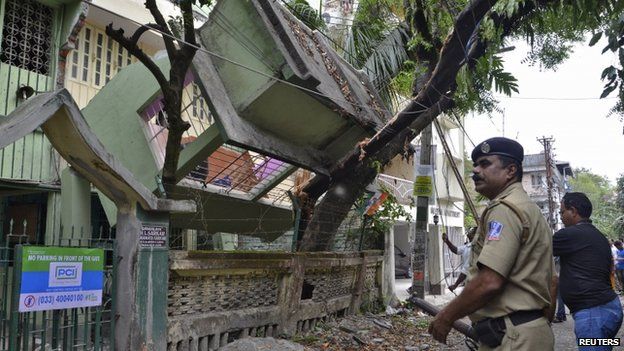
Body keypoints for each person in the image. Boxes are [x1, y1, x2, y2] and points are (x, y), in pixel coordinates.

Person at [429, 137, 555, 350]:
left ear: (510, 171)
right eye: (476, 165)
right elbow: (553, 280)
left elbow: (489, 281)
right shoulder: (528, 208)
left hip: (513, 337)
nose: (476, 171)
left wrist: (446, 316)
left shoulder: (505, 209)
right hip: (523, 331)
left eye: (485, 164)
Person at [553, 192, 622, 350]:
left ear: (573, 211)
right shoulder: (599, 236)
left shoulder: (569, 235)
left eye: (562, 212)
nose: (561, 216)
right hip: (609, 310)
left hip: (593, 314)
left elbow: (535, 248)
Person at [442, 227, 477, 291]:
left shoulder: (475, 248)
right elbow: (456, 250)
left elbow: (466, 269)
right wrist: (447, 241)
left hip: (474, 280)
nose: (469, 233)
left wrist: (455, 285)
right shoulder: (468, 246)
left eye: (472, 232)